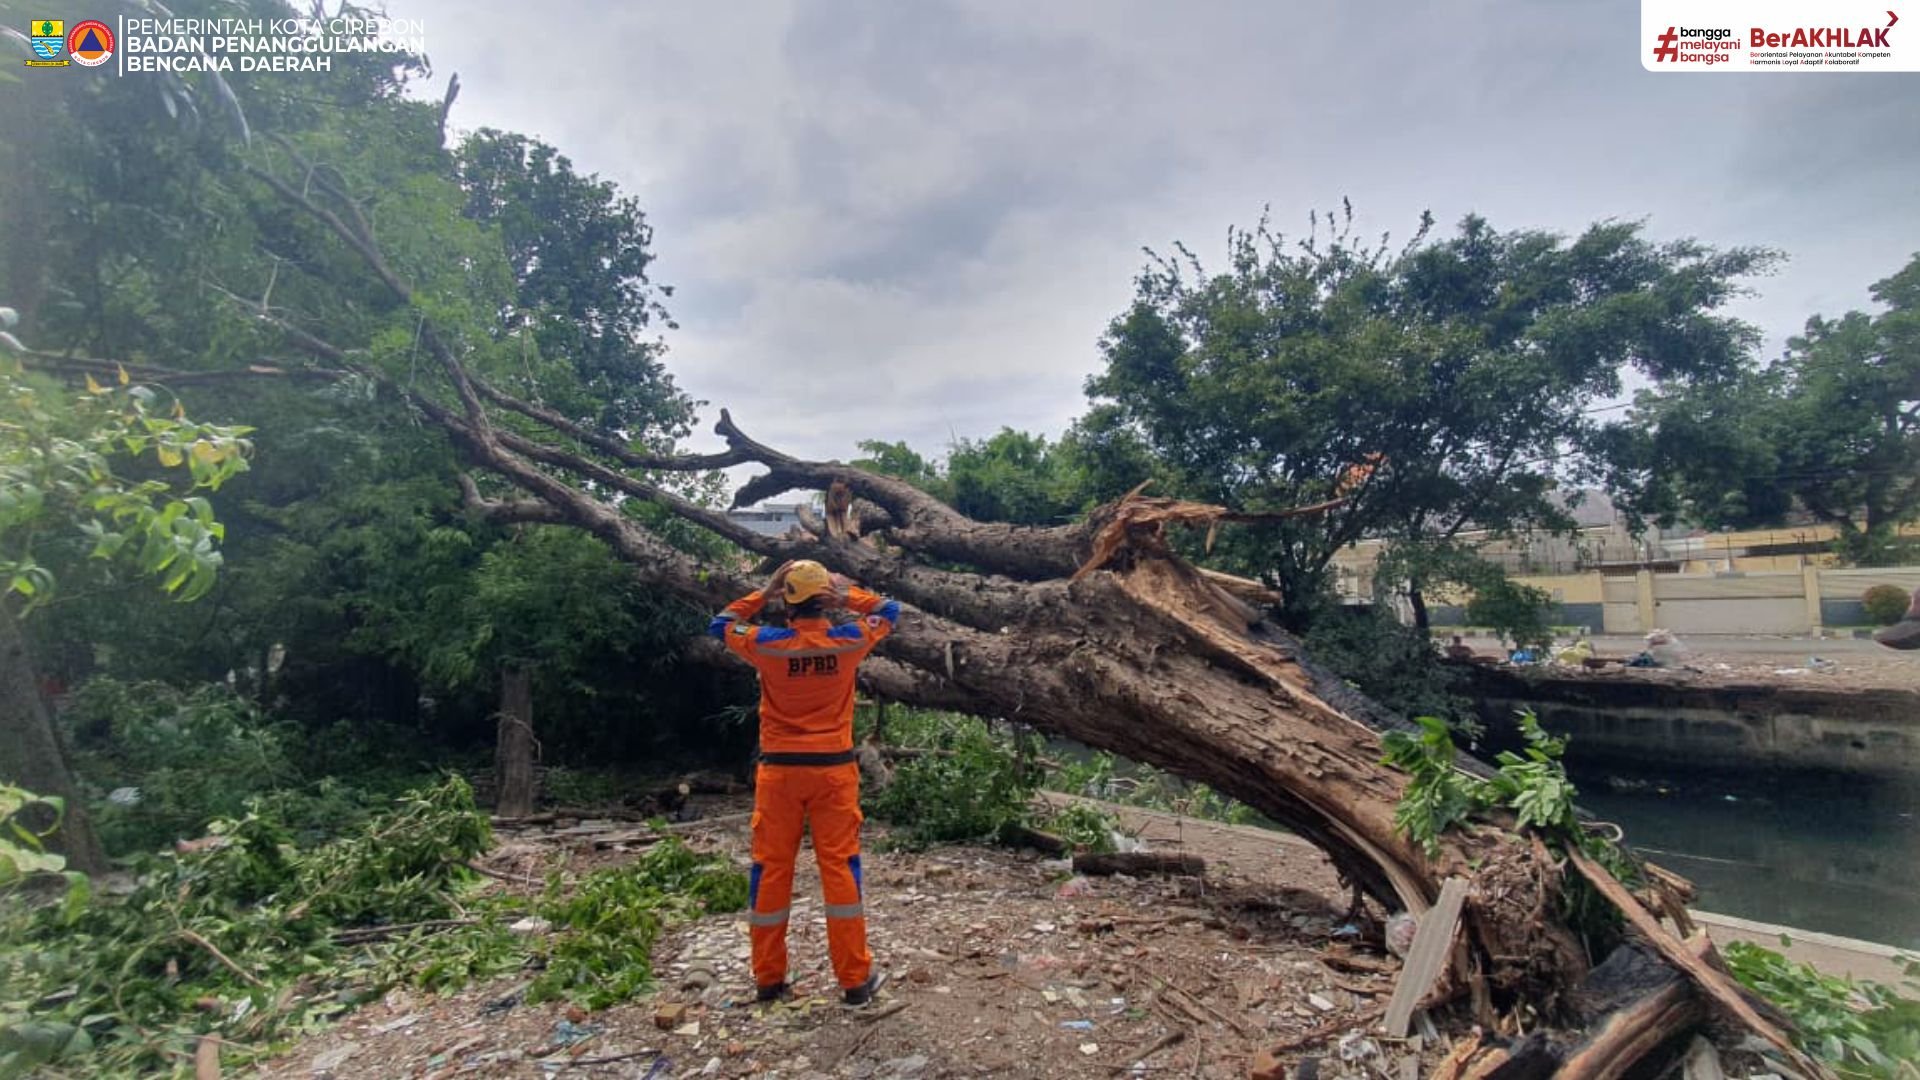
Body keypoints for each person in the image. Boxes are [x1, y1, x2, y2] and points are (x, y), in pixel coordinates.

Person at [708, 559, 900, 1007]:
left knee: (771, 871)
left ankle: (769, 980)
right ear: (826, 601)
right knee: (840, 870)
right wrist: (848, 595)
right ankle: (855, 981)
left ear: (788, 600)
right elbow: (890, 611)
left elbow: (721, 623)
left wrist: (764, 591)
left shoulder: (768, 645)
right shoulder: (848, 640)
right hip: (833, 772)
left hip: (779, 774)